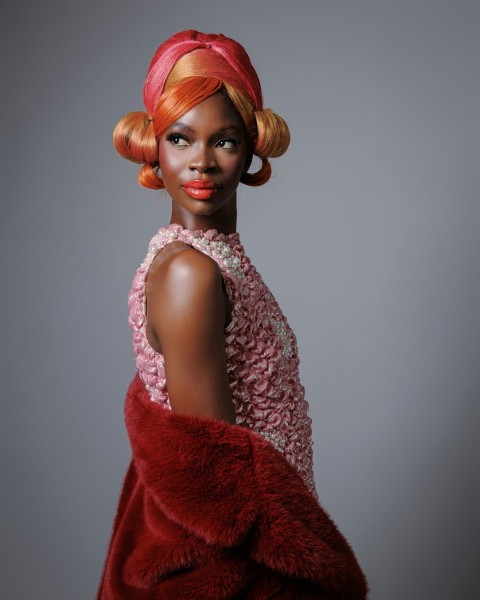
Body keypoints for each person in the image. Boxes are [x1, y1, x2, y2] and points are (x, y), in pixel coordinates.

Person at [97, 30, 367, 599]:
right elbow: (216, 480)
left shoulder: (215, 262)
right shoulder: (189, 273)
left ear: (250, 150)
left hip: (274, 532)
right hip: (242, 564)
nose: (201, 162)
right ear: (154, 148)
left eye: (223, 140)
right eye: (180, 138)